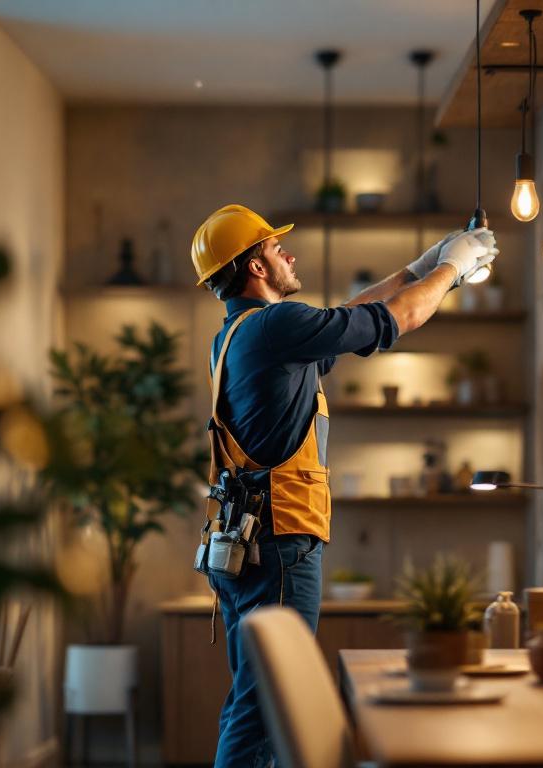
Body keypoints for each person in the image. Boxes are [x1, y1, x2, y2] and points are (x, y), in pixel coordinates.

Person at [190, 204, 496, 767]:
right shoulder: (275, 327)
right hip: (280, 546)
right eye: (276, 247)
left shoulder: (240, 336)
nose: (289, 254)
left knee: (252, 700)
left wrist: (416, 268)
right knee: (263, 706)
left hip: (248, 545)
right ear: (255, 266)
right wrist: (452, 269)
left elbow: (347, 316)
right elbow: (396, 319)